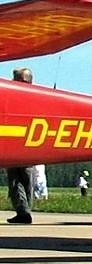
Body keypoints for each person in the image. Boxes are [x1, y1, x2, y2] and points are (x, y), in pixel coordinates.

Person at [8, 68, 35, 224]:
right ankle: (25, 210)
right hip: (31, 146)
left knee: (16, 180)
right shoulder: (38, 97)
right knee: (26, 180)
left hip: (18, 143)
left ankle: (23, 212)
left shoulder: (17, 96)